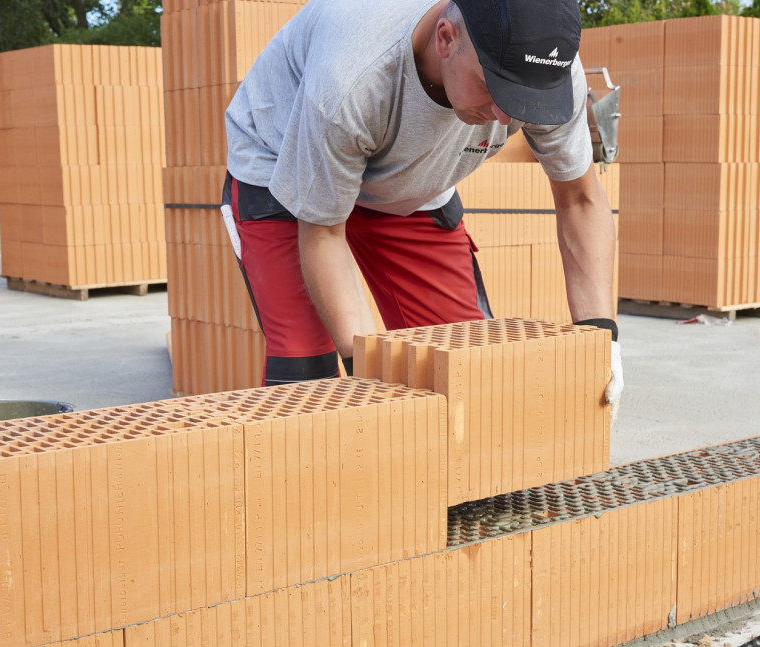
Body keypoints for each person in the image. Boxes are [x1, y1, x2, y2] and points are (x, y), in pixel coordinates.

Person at [221, 0, 623, 420]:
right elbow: (323, 233)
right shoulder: (352, 77)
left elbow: (580, 199)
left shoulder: (546, 69)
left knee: (468, 367)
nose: (505, 117)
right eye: (493, 88)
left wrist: (603, 340)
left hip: (408, 176)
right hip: (283, 163)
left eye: (523, 100)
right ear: (446, 38)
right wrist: (369, 373)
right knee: (309, 385)